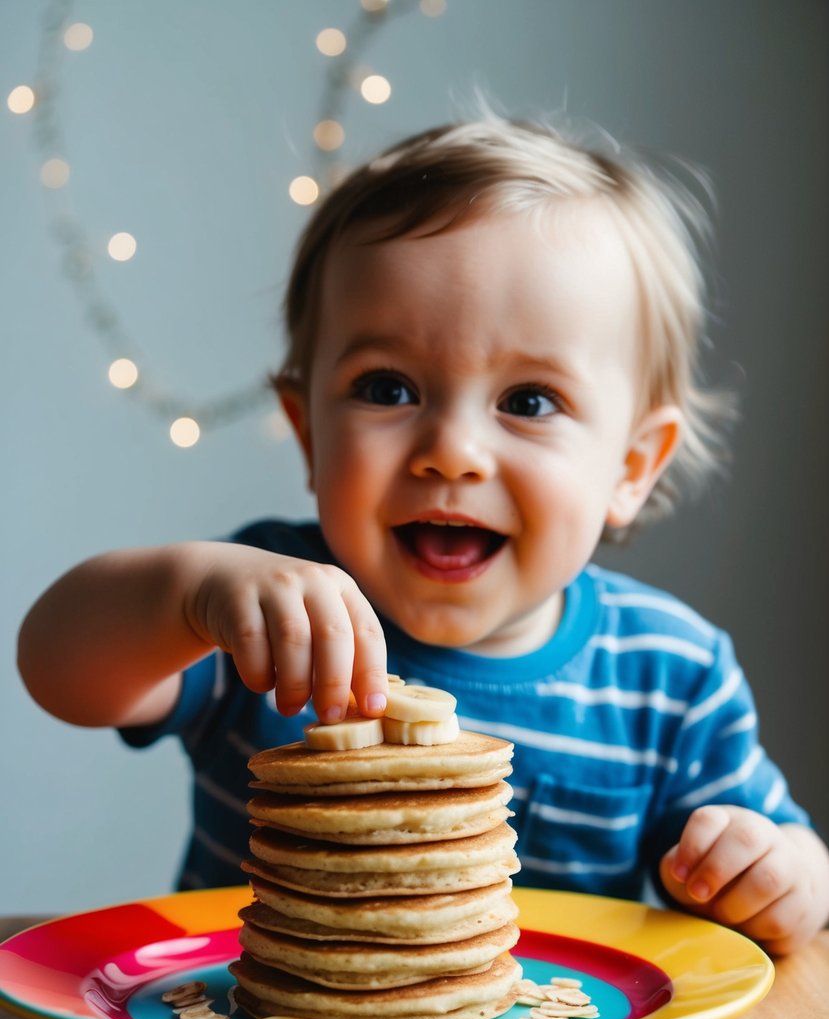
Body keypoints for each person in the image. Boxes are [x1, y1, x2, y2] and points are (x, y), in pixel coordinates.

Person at [17, 116, 828, 954]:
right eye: (388, 387)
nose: (452, 452)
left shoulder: (671, 678)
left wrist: (777, 875)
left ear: (631, 465)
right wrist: (187, 594)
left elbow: (793, 862)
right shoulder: (262, 611)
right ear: (307, 432)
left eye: (529, 401)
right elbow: (61, 671)